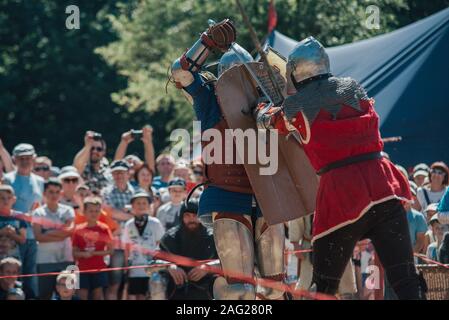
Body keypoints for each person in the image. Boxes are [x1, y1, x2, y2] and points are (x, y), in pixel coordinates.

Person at [254, 36, 424, 299]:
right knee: (406, 280)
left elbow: (268, 121)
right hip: (383, 185)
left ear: (296, 72)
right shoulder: (353, 88)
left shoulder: (295, 107)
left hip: (343, 195)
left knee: (323, 288)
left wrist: (262, 111)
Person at [171, 19, 287, 300]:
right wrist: (206, 43)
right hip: (227, 197)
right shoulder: (208, 99)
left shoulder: (269, 100)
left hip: (268, 198)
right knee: (239, 289)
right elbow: (180, 73)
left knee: (275, 289)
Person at [3, 143, 43, 298]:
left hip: (33, 235)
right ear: (14, 159)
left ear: (34, 159)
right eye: (21, 158)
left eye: (28, 158)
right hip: (12, 235)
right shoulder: (7, 179)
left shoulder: (39, 181)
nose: (25, 161)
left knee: (30, 274)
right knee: (11, 272)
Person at [159, 198, 218, 300]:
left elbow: (227, 262)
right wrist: (170, 266)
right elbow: (153, 262)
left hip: (207, 288)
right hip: (175, 288)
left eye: (195, 215)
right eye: (187, 215)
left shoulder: (213, 237)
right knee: (156, 280)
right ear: (181, 217)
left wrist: (208, 267)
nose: (191, 219)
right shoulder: (170, 237)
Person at [288, 215, 356, 299]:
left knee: (345, 290)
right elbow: (297, 214)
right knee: (310, 288)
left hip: (339, 244)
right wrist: (295, 243)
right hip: (311, 247)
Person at [32, 178, 75, 299]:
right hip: (45, 261)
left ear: (61, 193)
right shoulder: (38, 213)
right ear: (44, 193)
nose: (54, 195)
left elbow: (70, 231)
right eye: (51, 192)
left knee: (67, 295)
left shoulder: (68, 210)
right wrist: (61, 232)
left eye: (57, 192)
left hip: (66, 259)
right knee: (45, 295)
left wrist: (48, 232)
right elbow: (38, 236)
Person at [101, 159, 136, 300]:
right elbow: (109, 212)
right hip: (115, 243)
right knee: (114, 283)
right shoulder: (106, 192)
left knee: (129, 283)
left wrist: (121, 213)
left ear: (128, 174)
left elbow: (141, 212)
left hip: (132, 244)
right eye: (116, 173)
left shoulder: (136, 192)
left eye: (122, 172)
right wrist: (131, 215)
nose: (119, 176)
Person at [122, 192, 164, 300]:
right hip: (135, 268)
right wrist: (127, 265)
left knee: (151, 295)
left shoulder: (155, 223)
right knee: (136, 295)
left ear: (149, 206)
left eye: (144, 203)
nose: (141, 206)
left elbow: (161, 244)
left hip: (151, 267)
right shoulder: (129, 224)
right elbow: (127, 246)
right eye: (138, 203)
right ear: (132, 206)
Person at [72, 197, 113, 300]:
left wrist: (95, 253)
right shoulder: (78, 229)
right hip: (82, 269)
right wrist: (83, 254)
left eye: (97, 211)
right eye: (91, 211)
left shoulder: (104, 228)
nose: (94, 213)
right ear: (84, 212)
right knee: (82, 296)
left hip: (99, 268)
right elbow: (74, 252)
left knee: (98, 296)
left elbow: (111, 250)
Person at [0, 185, 27, 260]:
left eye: (9, 198)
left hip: (14, 258)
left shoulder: (19, 216)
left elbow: (23, 240)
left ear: (14, 199)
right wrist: (2, 232)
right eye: (2, 198)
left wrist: (13, 234)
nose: (6, 201)